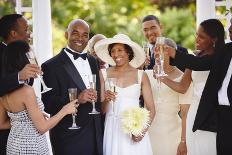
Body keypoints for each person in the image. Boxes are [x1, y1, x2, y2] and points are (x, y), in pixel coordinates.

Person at [165, 18, 231, 155]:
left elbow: (201, 64)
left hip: (212, 113)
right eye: (197, 35)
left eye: (202, 37)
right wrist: (161, 77)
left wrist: (174, 53)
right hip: (197, 111)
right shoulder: (199, 56)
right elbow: (185, 83)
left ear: (213, 39)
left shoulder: (220, 54)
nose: (197, 39)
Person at [0, 40, 78, 154]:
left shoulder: (3, 90)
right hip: (32, 146)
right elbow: (42, 128)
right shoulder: (26, 91)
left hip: (13, 146)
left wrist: (25, 121)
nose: (34, 58)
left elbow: (1, 124)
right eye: (31, 55)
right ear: (23, 59)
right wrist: (65, 110)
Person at [41, 19, 103, 155]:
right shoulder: (50, 66)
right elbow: (48, 104)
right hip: (69, 137)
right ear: (66, 35)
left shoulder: (93, 61)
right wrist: (77, 99)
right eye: (75, 33)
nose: (80, 38)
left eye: (85, 35)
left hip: (96, 134)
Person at [95, 33, 155, 155]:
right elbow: (101, 110)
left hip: (134, 130)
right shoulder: (103, 74)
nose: (116, 54)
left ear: (128, 52)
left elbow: (152, 109)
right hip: (112, 129)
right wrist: (106, 99)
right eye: (113, 51)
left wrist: (141, 132)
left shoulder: (141, 75)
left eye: (120, 50)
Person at [0, 13, 41, 155]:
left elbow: (27, 83)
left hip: (28, 135)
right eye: (26, 29)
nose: (29, 33)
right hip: (5, 133)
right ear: (13, 33)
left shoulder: (24, 53)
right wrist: (19, 76)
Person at [145, 43, 192, 154]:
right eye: (155, 50)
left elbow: (185, 114)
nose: (156, 53)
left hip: (171, 134)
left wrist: (183, 141)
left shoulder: (183, 78)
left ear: (171, 52)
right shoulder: (145, 75)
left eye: (160, 50)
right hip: (147, 132)